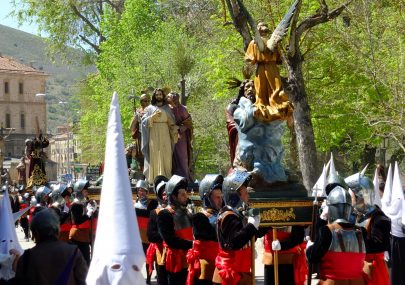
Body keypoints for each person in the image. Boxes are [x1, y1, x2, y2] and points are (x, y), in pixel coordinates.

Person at [306, 185, 366, 285]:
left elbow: (313, 257)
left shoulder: (327, 231)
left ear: (331, 208)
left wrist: (309, 248)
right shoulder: (361, 231)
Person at [13, 209, 88, 285]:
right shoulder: (74, 252)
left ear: (35, 233)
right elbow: (82, 281)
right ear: (57, 231)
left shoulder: (26, 257)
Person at [212, 169, 260, 285]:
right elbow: (235, 242)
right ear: (235, 195)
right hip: (230, 275)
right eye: (244, 192)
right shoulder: (229, 215)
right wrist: (252, 226)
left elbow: (248, 237)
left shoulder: (236, 213)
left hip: (239, 273)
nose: (247, 195)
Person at [245, 21, 293, 123]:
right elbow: (249, 59)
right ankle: (261, 104)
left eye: (265, 26)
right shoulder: (254, 42)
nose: (264, 28)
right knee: (260, 88)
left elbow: (279, 58)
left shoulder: (274, 42)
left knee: (275, 87)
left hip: (272, 67)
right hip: (261, 68)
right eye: (262, 26)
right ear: (257, 29)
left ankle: (277, 104)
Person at [186, 174, 223, 285]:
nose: (220, 200)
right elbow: (218, 236)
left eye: (221, 197)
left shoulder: (223, 215)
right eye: (217, 197)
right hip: (206, 271)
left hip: (219, 268)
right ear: (207, 197)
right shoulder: (200, 218)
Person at [157, 175, 193, 285]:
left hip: (189, 259)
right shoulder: (165, 214)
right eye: (182, 194)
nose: (185, 197)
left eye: (185, 193)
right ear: (173, 196)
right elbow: (171, 240)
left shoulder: (188, 212)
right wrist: (192, 244)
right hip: (175, 262)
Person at [141, 88, 179, 184]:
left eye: (160, 95)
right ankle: (154, 178)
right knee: (155, 154)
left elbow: (172, 122)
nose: (159, 96)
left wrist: (175, 130)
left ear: (163, 96)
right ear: (154, 96)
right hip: (153, 134)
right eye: (157, 95)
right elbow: (143, 122)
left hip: (165, 133)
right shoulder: (149, 108)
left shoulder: (168, 108)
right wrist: (152, 117)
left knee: (166, 155)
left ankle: (167, 177)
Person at [225, 80, 256, 166]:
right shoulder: (234, 106)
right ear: (243, 90)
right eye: (247, 87)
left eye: (253, 87)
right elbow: (230, 122)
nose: (250, 89)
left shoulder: (260, 106)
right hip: (242, 137)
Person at [147, 175, 169, 285]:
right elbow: (150, 235)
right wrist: (167, 236)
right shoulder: (154, 213)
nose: (166, 196)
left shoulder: (177, 211)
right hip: (161, 253)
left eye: (167, 193)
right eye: (164, 194)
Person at [134, 179, 157, 284]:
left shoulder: (152, 204)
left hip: (147, 235)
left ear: (147, 192)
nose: (141, 192)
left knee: (149, 258)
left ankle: (148, 279)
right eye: (139, 190)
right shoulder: (134, 204)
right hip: (137, 236)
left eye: (143, 190)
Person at [167, 92, 193, 182]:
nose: (168, 98)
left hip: (181, 137)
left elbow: (188, 123)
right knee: (171, 157)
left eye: (170, 97)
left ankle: (185, 178)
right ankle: (173, 177)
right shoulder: (167, 109)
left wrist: (179, 128)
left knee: (182, 156)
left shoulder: (182, 109)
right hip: (169, 136)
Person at [69, 180, 96, 265]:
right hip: (78, 234)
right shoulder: (75, 204)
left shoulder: (84, 202)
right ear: (80, 191)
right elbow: (78, 220)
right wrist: (88, 213)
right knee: (83, 260)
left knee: (87, 259)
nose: (87, 192)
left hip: (85, 234)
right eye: (85, 190)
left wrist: (94, 209)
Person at [130, 93, 151, 172]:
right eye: (144, 101)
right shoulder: (138, 111)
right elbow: (132, 126)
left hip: (150, 135)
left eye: (148, 101)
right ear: (141, 101)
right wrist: (135, 116)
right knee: (140, 154)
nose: (146, 103)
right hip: (140, 135)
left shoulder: (152, 110)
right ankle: (142, 173)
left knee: (150, 154)